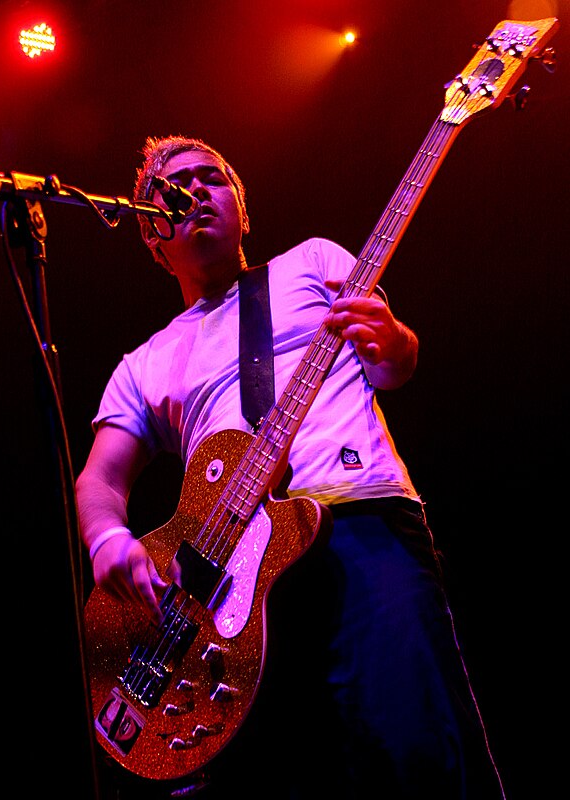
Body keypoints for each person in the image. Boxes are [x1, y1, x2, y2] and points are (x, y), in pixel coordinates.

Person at [75, 135, 507, 799]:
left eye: (208, 178)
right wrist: (109, 541)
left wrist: (392, 341)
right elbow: (100, 479)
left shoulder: (312, 262)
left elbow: (393, 363)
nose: (189, 192)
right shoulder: (144, 362)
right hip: (226, 586)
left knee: (412, 747)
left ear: (242, 211)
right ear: (150, 238)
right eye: (167, 189)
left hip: (358, 518)